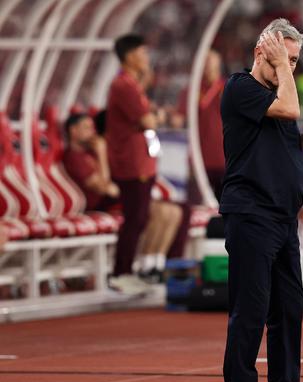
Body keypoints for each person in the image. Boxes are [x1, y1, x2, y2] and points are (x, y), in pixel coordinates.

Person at [218, 18, 303, 382]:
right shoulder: (241, 88)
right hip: (251, 214)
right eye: (283, 57)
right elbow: (289, 108)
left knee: (288, 309)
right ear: (260, 52)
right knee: (250, 308)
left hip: (283, 218)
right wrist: (284, 69)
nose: (290, 66)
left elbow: (275, 140)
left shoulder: (274, 96)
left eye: (296, 60)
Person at [64, 112, 182, 287]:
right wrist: (102, 153)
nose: (92, 133)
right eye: (87, 128)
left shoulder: (91, 154)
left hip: (115, 200)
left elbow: (111, 185)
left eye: (92, 128)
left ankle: (153, 264)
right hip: (99, 205)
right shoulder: (74, 157)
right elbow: (104, 187)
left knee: (172, 211)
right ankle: (141, 268)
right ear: (73, 131)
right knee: (155, 211)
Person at [105, 34, 165, 292]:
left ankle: (127, 270)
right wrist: (156, 117)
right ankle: (121, 272)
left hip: (141, 162)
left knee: (139, 218)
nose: (147, 58)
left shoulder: (132, 84)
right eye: (143, 53)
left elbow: (149, 117)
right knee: (134, 219)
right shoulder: (123, 86)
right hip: (131, 164)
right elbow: (148, 121)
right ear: (130, 56)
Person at [173, 50, 227, 203]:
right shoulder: (192, 89)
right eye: (204, 60)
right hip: (198, 158)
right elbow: (178, 119)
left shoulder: (228, 87)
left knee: (226, 206)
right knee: (195, 205)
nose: (207, 63)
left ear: (218, 63)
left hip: (224, 158)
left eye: (210, 60)